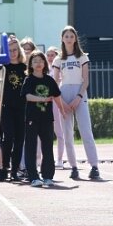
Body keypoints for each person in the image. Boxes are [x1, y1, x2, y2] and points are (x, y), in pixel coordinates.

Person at [52, 26, 100, 180]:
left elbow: (85, 80)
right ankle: (73, 167)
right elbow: (55, 82)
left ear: (75, 38)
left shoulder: (82, 57)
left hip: (80, 94)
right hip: (64, 95)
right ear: (62, 39)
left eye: (71, 36)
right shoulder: (58, 59)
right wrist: (61, 102)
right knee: (67, 134)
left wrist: (79, 96)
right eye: (66, 36)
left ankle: (94, 166)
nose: (69, 38)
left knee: (86, 131)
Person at [21, 50, 65, 187]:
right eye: (35, 61)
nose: (38, 63)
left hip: (47, 119)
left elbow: (56, 96)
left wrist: (62, 110)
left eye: (41, 61)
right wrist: (43, 98)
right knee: (31, 147)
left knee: (47, 147)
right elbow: (27, 96)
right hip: (32, 118)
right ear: (31, 65)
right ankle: (33, 177)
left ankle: (47, 176)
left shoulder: (49, 80)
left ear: (45, 63)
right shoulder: (29, 80)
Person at [0, 36, 27, 182]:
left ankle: (15, 170)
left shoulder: (24, 67)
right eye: (10, 50)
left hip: (21, 108)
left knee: (20, 139)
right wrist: (3, 46)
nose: (13, 53)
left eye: (15, 50)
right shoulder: (4, 66)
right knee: (8, 137)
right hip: (6, 107)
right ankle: (4, 167)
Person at [45, 46, 66, 168]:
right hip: (45, 102)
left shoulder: (60, 69)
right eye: (48, 54)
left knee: (59, 132)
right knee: (43, 132)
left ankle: (59, 159)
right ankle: (41, 159)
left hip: (56, 102)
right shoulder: (43, 69)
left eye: (52, 55)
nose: (49, 57)